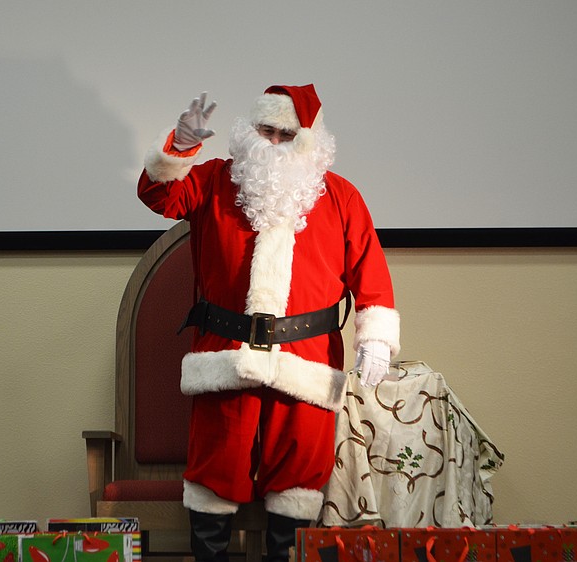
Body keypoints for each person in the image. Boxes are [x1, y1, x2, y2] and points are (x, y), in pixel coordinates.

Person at [137, 86, 400, 562]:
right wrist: (179, 145)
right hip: (225, 356)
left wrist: (375, 338)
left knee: (298, 481)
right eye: (267, 131)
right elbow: (158, 194)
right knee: (214, 476)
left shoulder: (340, 197)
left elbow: (371, 272)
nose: (275, 143)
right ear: (249, 132)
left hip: (307, 363)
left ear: (309, 143)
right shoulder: (216, 180)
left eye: (287, 134)